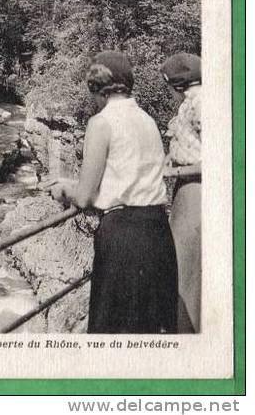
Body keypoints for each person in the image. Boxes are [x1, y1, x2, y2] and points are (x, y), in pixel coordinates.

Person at [45, 51, 178, 334]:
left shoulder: (101, 123)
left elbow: (84, 197)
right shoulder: (148, 120)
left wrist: (65, 189)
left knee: (114, 335)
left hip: (123, 239)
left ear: (96, 88)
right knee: (151, 336)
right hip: (158, 233)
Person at [161, 53, 201, 333]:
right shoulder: (193, 102)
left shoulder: (201, 103)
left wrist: (175, 172)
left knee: (187, 267)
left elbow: (221, 157)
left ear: (177, 84)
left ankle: (188, 334)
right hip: (187, 189)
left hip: (195, 192)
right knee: (185, 265)